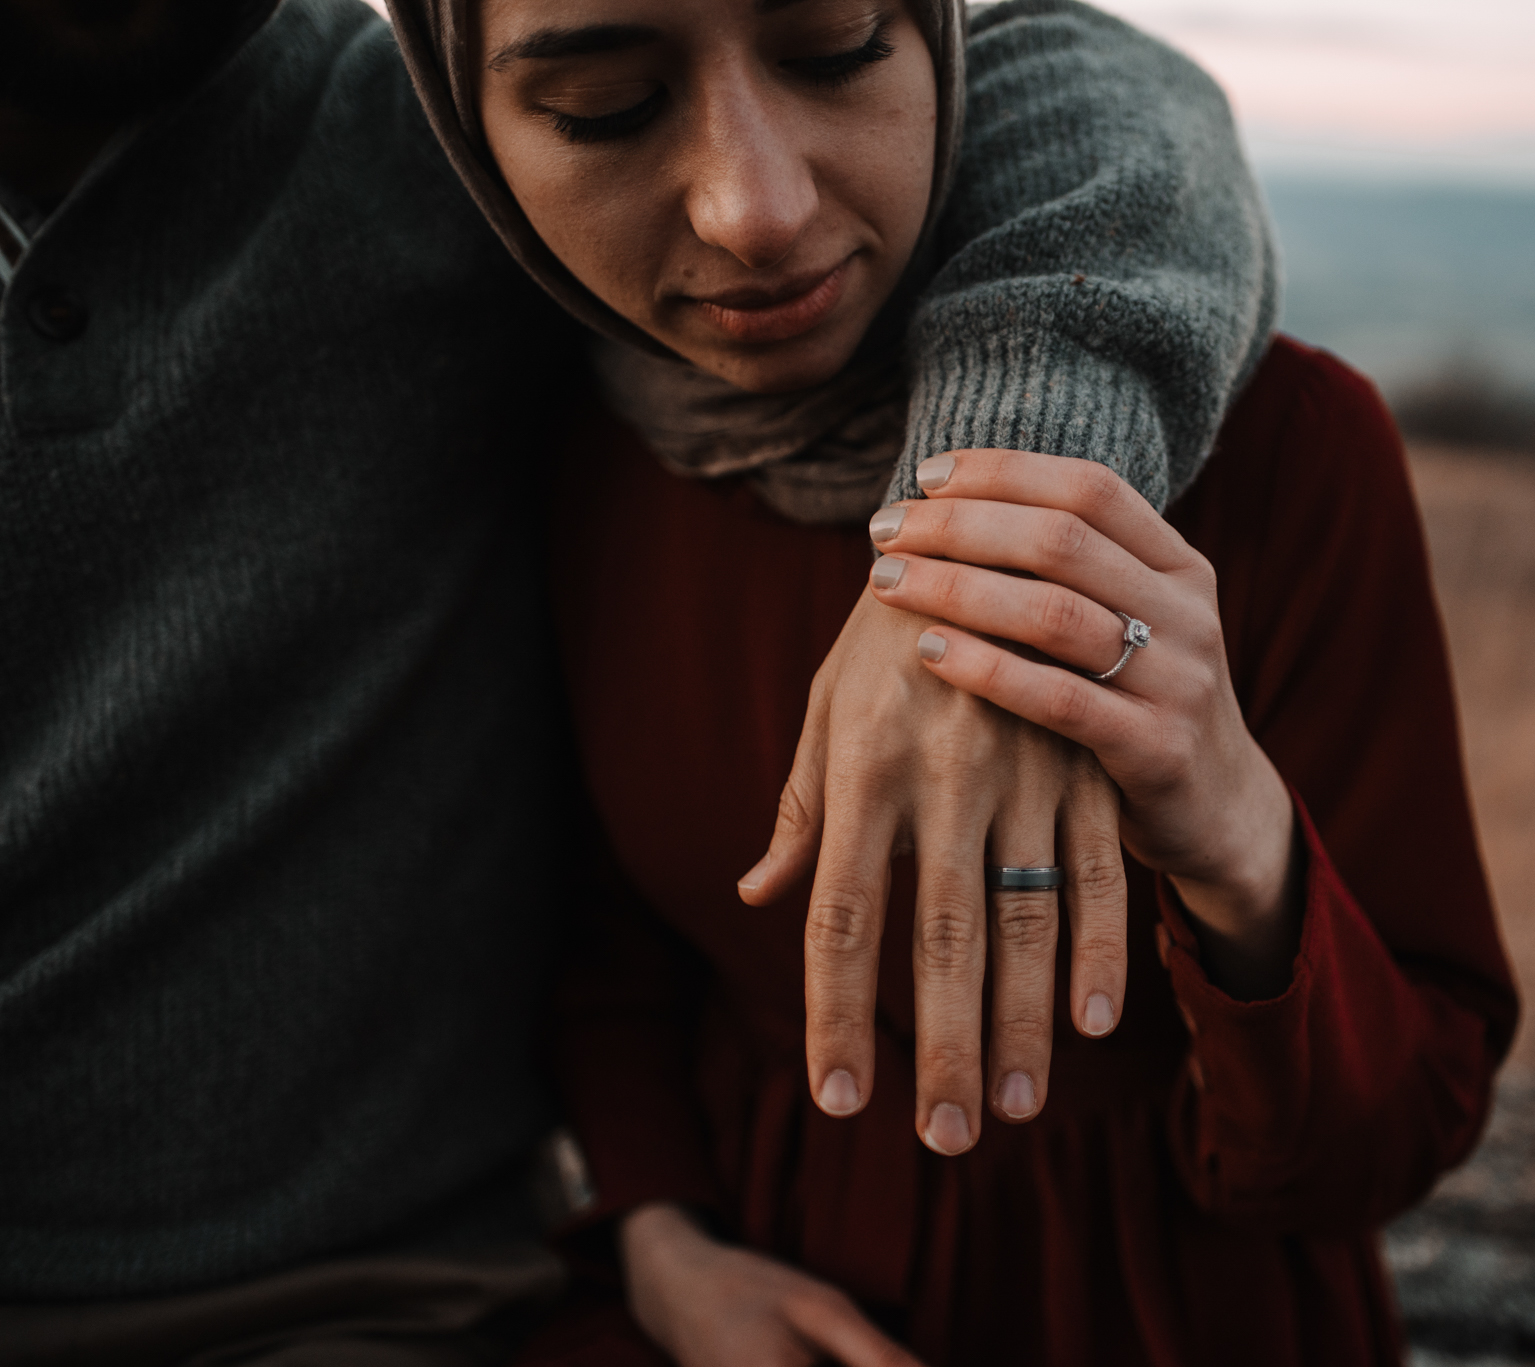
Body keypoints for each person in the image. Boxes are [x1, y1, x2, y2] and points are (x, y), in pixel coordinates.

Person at [0, 0, 1277, 1359]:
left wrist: (982, 536)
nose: (752, 206)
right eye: (608, 113)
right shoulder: (490, 130)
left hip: (364, 1299)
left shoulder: (410, 144)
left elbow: (1100, 94)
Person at [392, 0, 1520, 1363]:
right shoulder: (577, 454)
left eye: (833, 51)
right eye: (606, 109)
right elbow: (607, 958)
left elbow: (1391, 1145)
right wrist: (663, 1242)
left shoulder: (1285, 452)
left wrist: (1240, 849)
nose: (758, 208)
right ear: (473, 137)